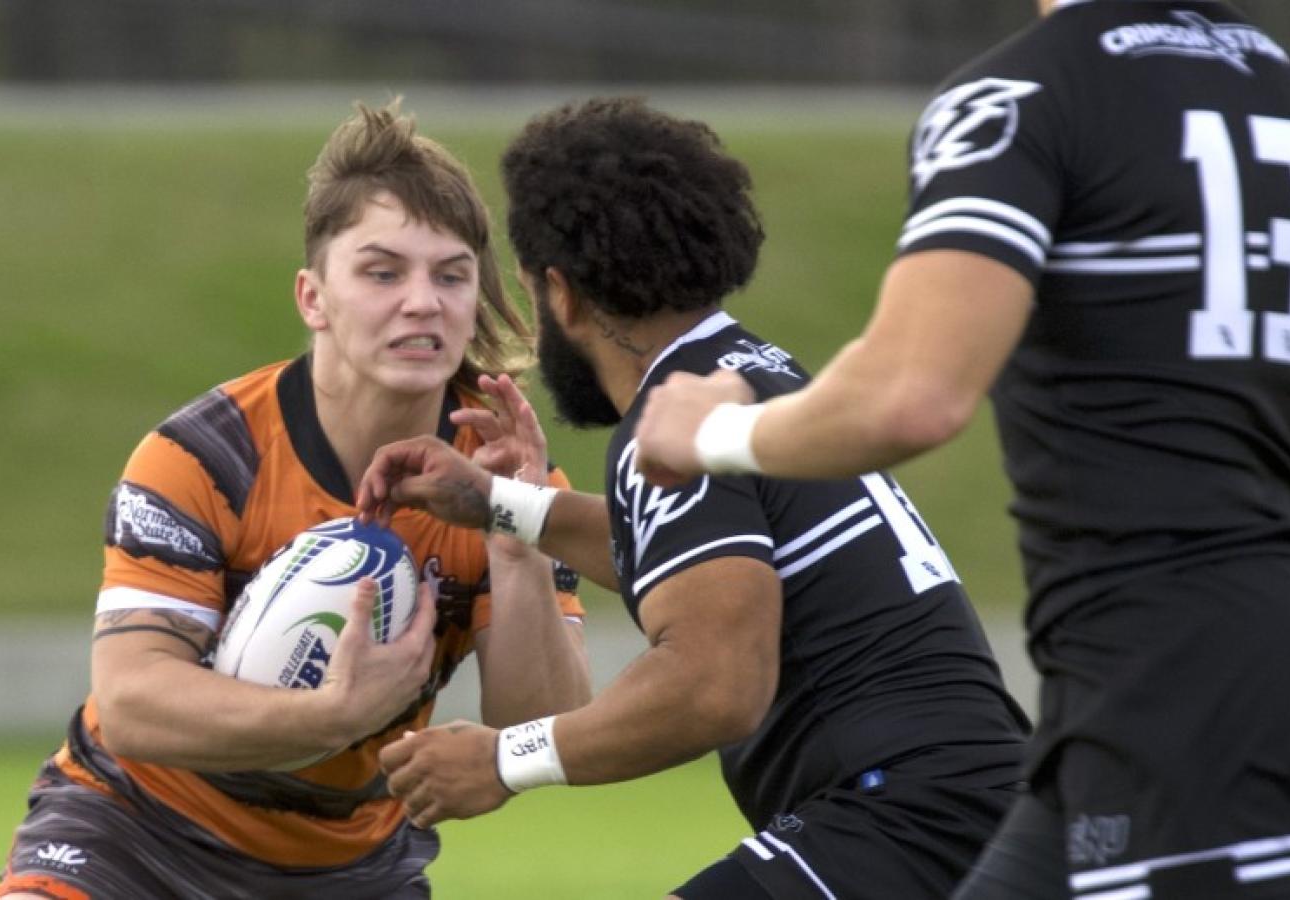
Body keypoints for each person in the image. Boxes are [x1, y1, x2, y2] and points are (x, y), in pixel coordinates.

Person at [630, 2, 1290, 898]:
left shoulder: (1017, 100)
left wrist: (713, 432)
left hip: (1176, 690)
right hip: (1196, 673)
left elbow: (912, 397)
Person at [357, 97, 1031, 900]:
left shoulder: (668, 424)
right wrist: (502, 504)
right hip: (966, 797)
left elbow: (714, 683)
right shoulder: (747, 374)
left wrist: (506, 759)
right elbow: (695, 564)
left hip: (902, 808)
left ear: (562, 293)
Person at [0, 101, 591, 900]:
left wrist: (514, 538)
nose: (424, 301)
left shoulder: (507, 478)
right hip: (133, 829)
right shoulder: (204, 459)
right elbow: (134, 703)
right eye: (383, 272)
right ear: (313, 298)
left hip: (349, 869)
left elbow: (539, 731)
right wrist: (334, 717)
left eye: (451, 275)